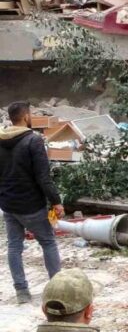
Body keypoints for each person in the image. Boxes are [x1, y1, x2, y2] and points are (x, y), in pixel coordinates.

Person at [0, 102, 63, 304]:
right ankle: (57, 288)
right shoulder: (33, 141)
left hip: (9, 204)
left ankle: (21, 292)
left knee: (14, 246)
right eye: (32, 113)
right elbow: (43, 178)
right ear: (26, 116)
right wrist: (56, 201)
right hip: (31, 205)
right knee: (48, 242)